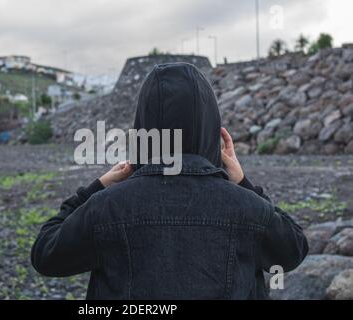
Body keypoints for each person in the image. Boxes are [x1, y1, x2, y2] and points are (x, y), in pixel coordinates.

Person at [31, 62, 308, 299]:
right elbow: (293, 250)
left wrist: (97, 188)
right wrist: (244, 183)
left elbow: (46, 254)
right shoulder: (247, 208)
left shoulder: (107, 207)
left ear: (142, 129)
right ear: (211, 125)